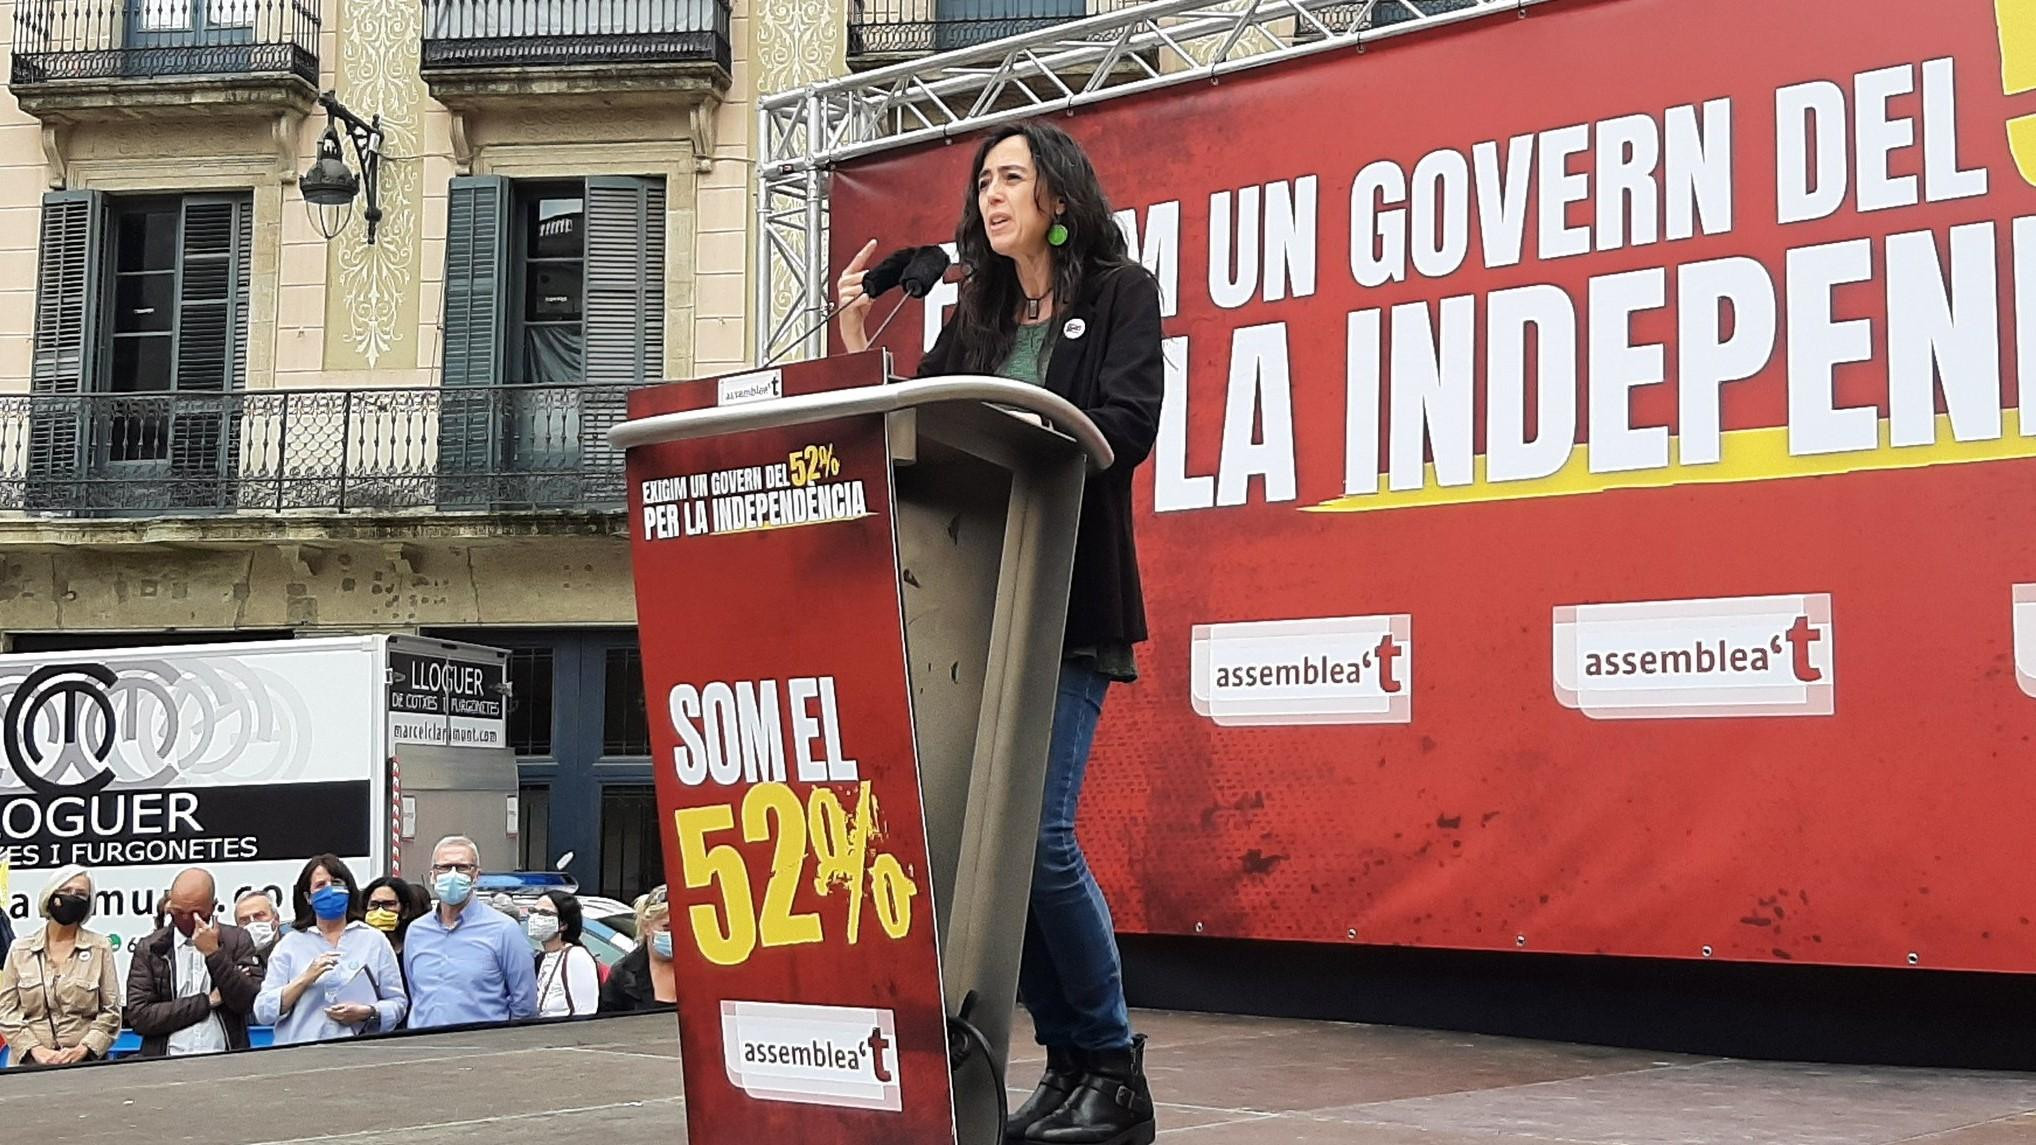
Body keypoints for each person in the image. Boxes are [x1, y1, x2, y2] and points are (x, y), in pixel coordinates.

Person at [839, 120, 1161, 1145]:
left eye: (1010, 177)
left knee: (1038, 838)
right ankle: (1071, 1069)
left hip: (1064, 599)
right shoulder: (975, 308)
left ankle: (1110, 1060)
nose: (990, 194)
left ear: (1058, 197)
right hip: (973, 606)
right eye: (982, 180)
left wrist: (1033, 430)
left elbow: (1129, 422)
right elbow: (916, 427)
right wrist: (857, 353)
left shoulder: (1117, 290)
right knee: (988, 854)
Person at [254, 854, 407, 1046]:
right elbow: (263, 1011)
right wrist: (306, 978)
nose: (330, 890)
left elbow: (398, 1004)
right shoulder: (290, 944)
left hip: (358, 1054)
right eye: (320, 885)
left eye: (336, 883)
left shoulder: (373, 940)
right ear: (308, 897)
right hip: (298, 1056)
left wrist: (368, 1011)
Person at [126, 867, 264, 1059]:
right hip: (165, 1062)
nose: (185, 919)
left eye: (195, 913)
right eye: (178, 912)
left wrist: (214, 953)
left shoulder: (237, 940)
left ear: (213, 907)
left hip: (225, 1060)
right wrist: (207, 1001)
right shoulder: (150, 948)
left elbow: (248, 1001)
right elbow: (140, 1016)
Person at [403, 836, 537, 1029]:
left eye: (462, 867)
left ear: (476, 876)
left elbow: (525, 1005)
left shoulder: (504, 930)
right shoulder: (416, 932)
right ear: (432, 875)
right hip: (423, 1050)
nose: (453, 874)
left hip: (480, 1052)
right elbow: (416, 994)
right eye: (445, 867)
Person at [0, 867, 122, 1067]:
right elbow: (7, 1011)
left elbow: (111, 1011)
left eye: (81, 894)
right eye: (66, 891)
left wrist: (83, 1049)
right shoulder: (20, 950)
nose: (72, 898)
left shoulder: (100, 948)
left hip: (85, 1066)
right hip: (28, 1066)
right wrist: (35, 1049)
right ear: (51, 895)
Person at [598, 885, 677, 1014]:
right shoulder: (623, 975)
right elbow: (607, 1025)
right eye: (666, 927)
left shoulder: (703, 968)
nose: (675, 934)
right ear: (647, 927)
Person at [529, 892, 600, 1018]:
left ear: (563, 924)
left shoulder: (577, 956)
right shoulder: (542, 958)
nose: (536, 917)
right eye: (533, 911)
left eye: (545, 913)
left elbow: (585, 1011)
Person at [233, 890, 285, 972]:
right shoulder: (235, 964)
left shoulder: (296, 949)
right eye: (244, 920)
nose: (252, 923)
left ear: (276, 919)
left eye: (259, 915)